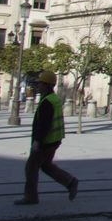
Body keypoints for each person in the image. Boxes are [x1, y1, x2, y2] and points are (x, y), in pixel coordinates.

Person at [15, 71, 79, 206]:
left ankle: (31, 197)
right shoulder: (53, 99)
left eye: (41, 84)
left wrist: (37, 142)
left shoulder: (47, 102)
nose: (39, 86)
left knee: (31, 167)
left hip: (46, 141)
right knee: (45, 165)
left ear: (48, 85)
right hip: (54, 140)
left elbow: (44, 124)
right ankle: (70, 181)